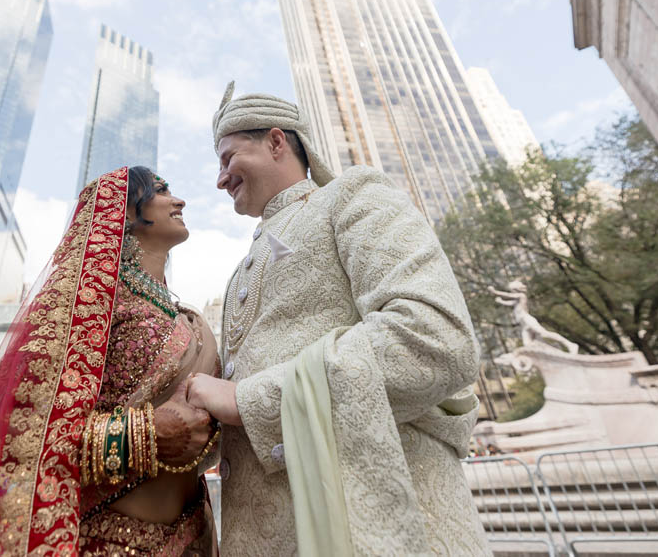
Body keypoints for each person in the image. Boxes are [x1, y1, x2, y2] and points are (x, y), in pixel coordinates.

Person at [186, 84, 491, 556]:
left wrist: (249, 399)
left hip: (382, 529)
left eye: (228, 158)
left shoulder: (351, 195)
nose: (221, 179)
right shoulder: (243, 265)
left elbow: (434, 339)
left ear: (275, 141)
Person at [0, 166, 220, 556]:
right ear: (123, 210)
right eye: (160, 190)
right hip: (101, 541)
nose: (179, 199)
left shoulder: (187, 319)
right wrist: (141, 434)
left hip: (194, 539)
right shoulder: (73, 309)